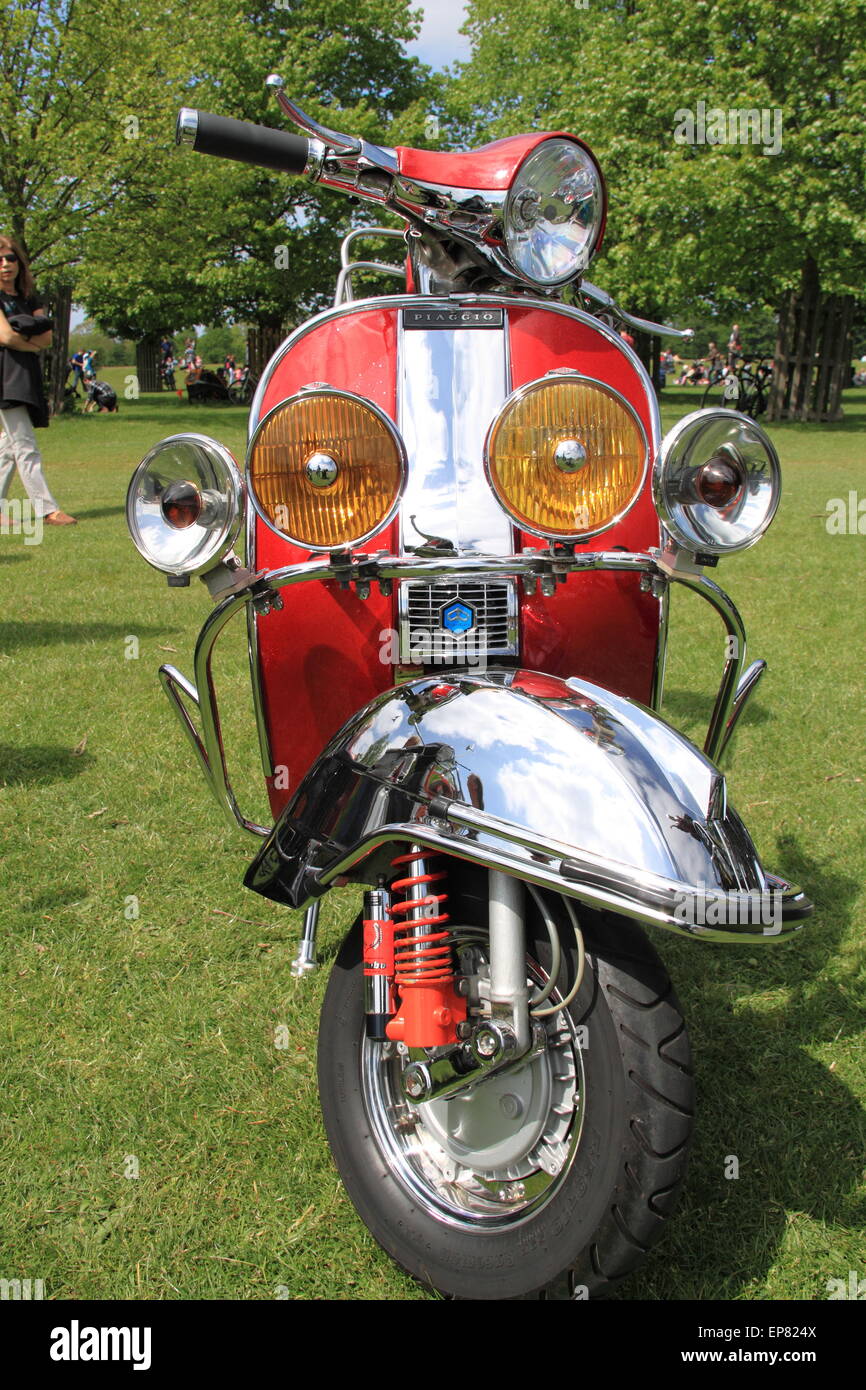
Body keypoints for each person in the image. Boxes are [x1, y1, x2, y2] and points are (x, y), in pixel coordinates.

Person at [0, 235, 76, 526]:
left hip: (26, 375)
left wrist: (23, 336)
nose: (6, 265)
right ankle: (47, 510)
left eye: (10, 258)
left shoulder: (28, 297)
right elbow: (4, 336)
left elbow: (47, 337)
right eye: (0, 260)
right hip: (5, 378)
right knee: (25, 444)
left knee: (9, 447)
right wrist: (28, 334)